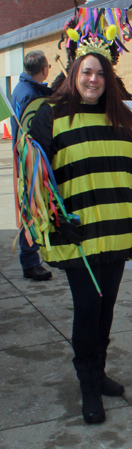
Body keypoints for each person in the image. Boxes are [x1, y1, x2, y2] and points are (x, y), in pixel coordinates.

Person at [28, 42, 132, 424]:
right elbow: (37, 176)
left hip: (116, 231)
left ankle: (99, 374)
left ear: (109, 79)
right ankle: (88, 386)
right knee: (87, 310)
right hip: (78, 236)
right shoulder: (51, 115)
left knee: (106, 310)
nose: (93, 79)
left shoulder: (125, 120)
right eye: (86, 72)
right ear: (74, 76)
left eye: (100, 73)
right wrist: (50, 217)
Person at [11, 51, 54, 281]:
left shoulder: (21, 88)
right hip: (31, 162)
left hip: (25, 160)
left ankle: (32, 259)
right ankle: (30, 262)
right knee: (31, 209)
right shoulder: (30, 95)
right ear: (45, 69)